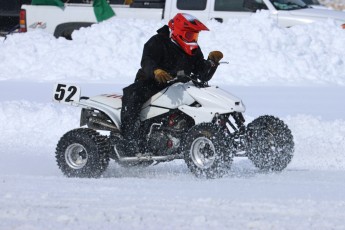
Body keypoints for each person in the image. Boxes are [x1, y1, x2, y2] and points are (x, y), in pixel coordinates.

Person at [120, 13, 224, 156]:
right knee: (133, 95)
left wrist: (212, 62)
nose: (193, 40)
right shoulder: (158, 41)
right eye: (189, 36)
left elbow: (202, 74)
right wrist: (156, 71)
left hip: (178, 86)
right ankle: (128, 140)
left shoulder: (193, 50)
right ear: (177, 32)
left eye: (195, 36)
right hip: (152, 82)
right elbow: (147, 61)